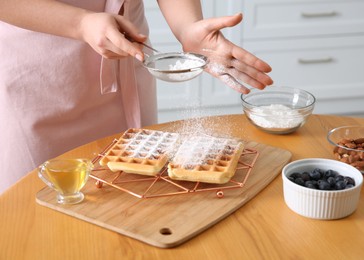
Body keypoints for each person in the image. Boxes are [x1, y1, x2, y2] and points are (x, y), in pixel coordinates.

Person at [0, 0, 273, 194]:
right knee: (38, 203)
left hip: (127, 54)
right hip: (39, 74)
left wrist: (188, 26)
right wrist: (81, 23)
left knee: (130, 197)